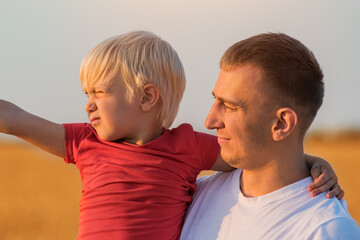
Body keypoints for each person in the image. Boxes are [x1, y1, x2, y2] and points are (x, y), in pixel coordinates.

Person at [0, 31, 342, 240]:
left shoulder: (187, 148)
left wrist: (311, 162)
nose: (88, 105)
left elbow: (266, 156)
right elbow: (15, 118)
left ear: (148, 97)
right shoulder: (85, 142)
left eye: (100, 92)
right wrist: (312, 160)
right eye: (86, 94)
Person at [180, 33, 360, 240]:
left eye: (229, 107)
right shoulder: (193, 195)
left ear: (281, 123)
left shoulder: (325, 230)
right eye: (215, 100)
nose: (210, 121)